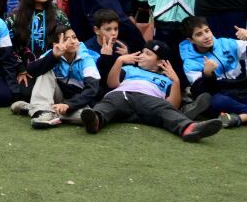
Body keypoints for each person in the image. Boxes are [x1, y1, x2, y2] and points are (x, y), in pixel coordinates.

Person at [80, 41, 224, 142]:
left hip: (150, 101)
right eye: (142, 52)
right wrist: (120, 61)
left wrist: (176, 81)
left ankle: (189, 128)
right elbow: (112, 83)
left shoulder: (166, 79)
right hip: (122, 94)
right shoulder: (130, 69)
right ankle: (95, 120)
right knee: (109, 103)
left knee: (165, 110)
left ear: (160, 62)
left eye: (148, 54)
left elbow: (172, 104)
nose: (142, 56)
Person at [17, 26, 100, 128]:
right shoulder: (53, 53)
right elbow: (32, 70)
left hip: (78, 102)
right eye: (66, 39)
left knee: (86, 115)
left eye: (74, 37)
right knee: (45, 71)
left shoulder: (86, 58)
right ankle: (42, 111)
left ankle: (35, 110)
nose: (73, 41)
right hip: (57, 96)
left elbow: (91, 90)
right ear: (56, 44)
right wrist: (53, 57)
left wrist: (69, 105)